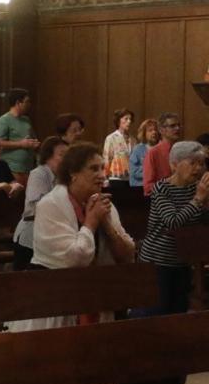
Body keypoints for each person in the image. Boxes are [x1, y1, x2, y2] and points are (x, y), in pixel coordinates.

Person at [23, 142, 135, 328]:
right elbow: (74, 259)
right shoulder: (50, 205)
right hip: (54, 300)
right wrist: (91, 222)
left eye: (102, 169)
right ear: (72, 174)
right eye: (93, 169)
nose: (102, 175)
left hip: (97, 294)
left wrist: (106, 224)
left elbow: (128, 255)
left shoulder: (104, 205)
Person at [137, 141, 209, 317]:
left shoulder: (196, 188)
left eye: (201, 163)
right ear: (174, 164)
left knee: (178, 314)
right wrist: (198, 200)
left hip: (183, 260)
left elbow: (200, 221)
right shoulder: (162, 189)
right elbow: (173, 222)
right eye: (192, 163)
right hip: (157, 261)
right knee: (156, 312)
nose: (198, 168)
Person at [11, 136, 68, 270]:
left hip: (52, 235)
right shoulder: (39, 173)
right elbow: (40, 205)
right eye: (61, 155)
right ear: (48, 156)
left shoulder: (63, 177)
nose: (66, 159)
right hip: (31, 234)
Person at [0, 89, 40, 186]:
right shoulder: (4, 121)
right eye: (27, 102)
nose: (29, 104)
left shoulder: (26, 119)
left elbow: (31, 137)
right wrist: (21, 144)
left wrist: (34, 143)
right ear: (18, 103)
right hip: (12, 169)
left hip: (28, 168)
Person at [144, 112, 182, 196]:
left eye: (179, 125)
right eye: (172, 126)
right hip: (164, 200)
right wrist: (170, 186)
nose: (177, 128)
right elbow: (148, 187)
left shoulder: (182, 151)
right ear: (161, 130)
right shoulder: (153, 153)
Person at [102, 109, 134, 182]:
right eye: (126, 119)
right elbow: (106, 159)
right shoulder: (111, 138)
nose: (129, 121)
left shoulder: (133, 140)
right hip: (115, 178)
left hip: (130, 179)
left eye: (130, 119)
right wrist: (105, 179)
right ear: (118, 120)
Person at [130, 118, 158, 188]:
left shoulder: (161, 149)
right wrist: (152, 170)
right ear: (144, 133)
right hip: (139, 188)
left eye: (155, 130)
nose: (154, 132)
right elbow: (134, 171)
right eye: (150, 130)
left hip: (157, 189)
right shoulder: (137, 149)